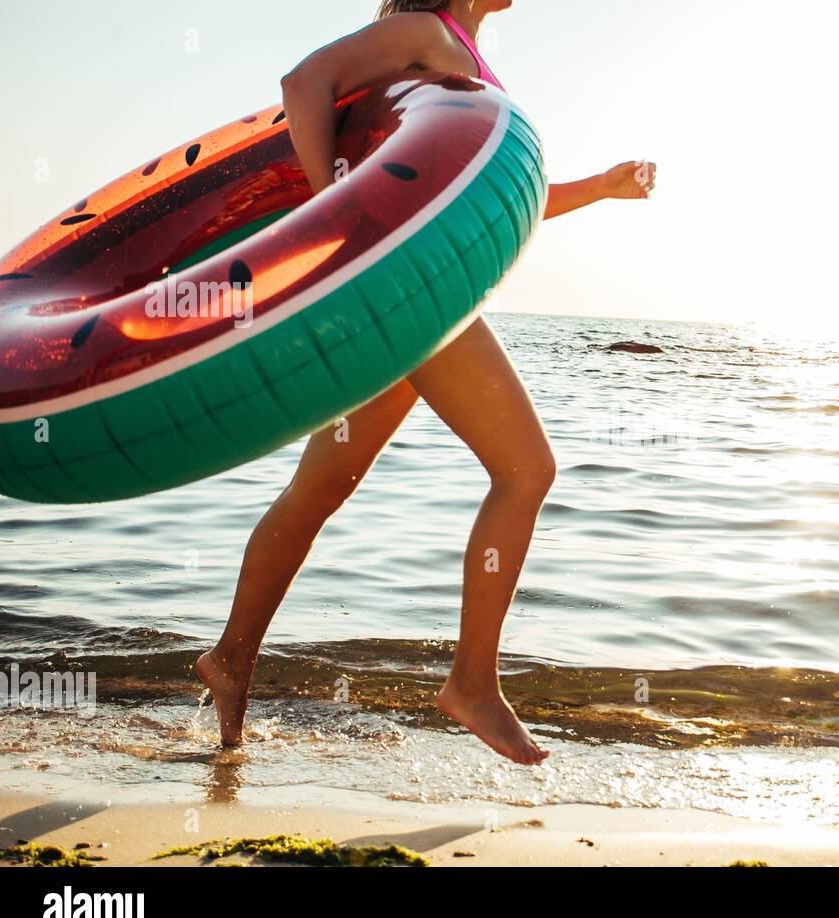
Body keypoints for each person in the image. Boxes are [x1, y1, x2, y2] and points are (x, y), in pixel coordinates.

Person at [196, 0, 657, 765]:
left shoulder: (458, 53)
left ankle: (232, 658)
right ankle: (472, 683)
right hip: (408, 290)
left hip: (400, 286)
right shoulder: (430, 32)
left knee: (319, 489)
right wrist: (330, 220)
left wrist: (601, 187)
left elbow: (500, 198)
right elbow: (304, 80)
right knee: (526, 470)